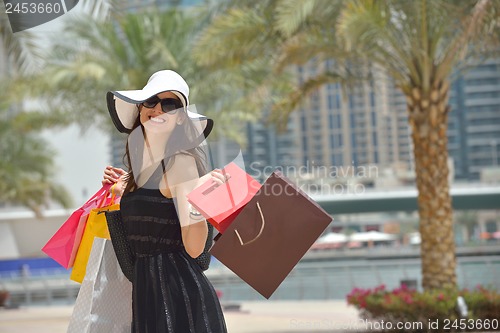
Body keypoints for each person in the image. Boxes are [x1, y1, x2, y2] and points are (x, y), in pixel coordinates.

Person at [102, 70, 228, 332]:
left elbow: (194, 249)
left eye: (170, 105)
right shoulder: (138, 171)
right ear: (140, 109)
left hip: (178, 294)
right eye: (151, 101)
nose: (158, 109)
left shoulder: (181, 162)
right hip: (147, 294)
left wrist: (195, 201)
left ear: (181, 119)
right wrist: (120, 190)